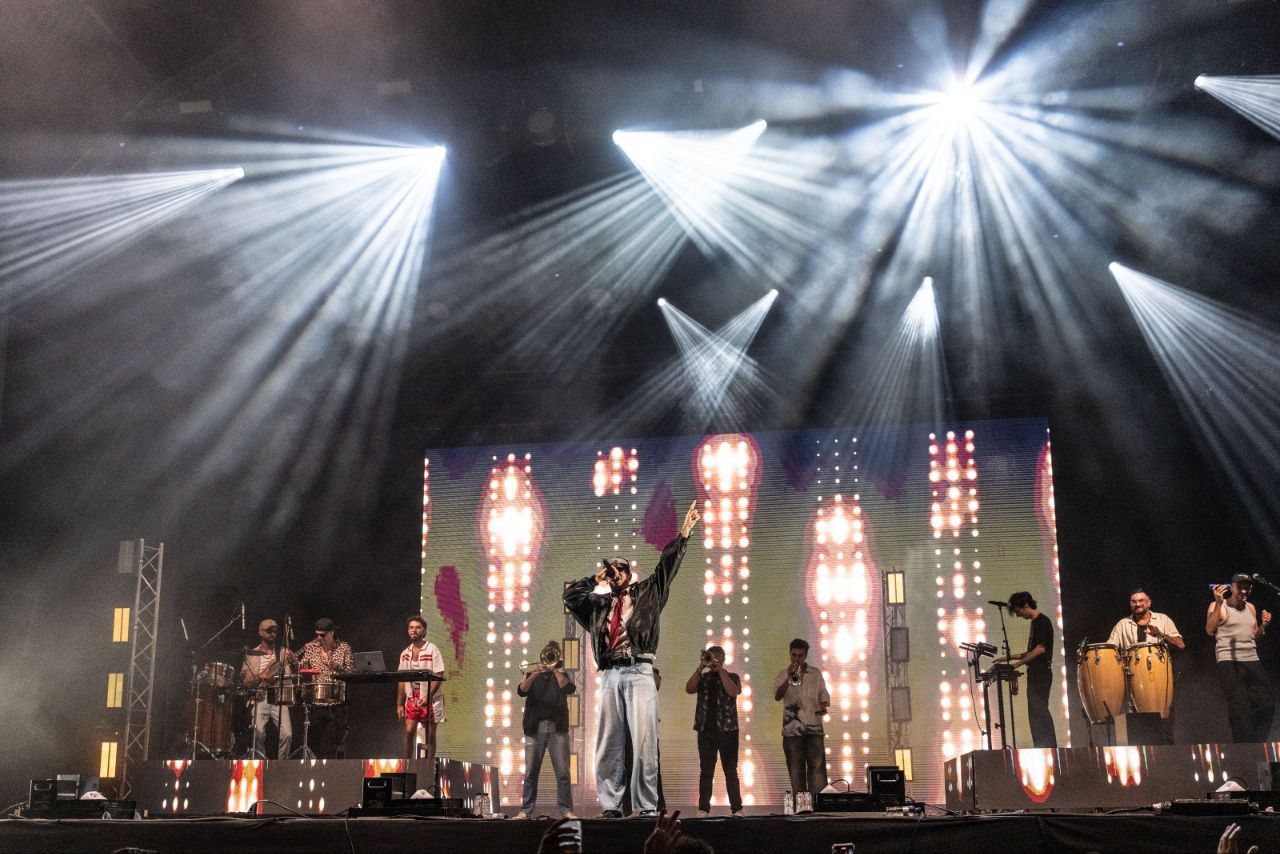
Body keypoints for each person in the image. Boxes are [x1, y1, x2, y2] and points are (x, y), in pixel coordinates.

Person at [564, 500, 700, 818]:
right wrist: (594, 579)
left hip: (639, 669)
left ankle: (646, 806)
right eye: (611, 571)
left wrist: (683, 534)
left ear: (629, 573)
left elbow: (667, 568)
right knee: (608, 742)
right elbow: (570, 598)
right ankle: (611, 805)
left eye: (620, 569)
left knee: (644, 741)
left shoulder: (648, 593)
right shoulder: (597, 606)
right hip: (611, 674)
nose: (615, 574)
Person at [514, 641, 577, 820]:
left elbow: (569, 688)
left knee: (563, 772)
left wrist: (555, 669)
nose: (551, 658)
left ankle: (566, 810)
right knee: (531, 771)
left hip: (558, 728)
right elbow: (521, 691)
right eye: (549, 655)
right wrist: (534, 675)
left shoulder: (562, 674)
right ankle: (525, 810)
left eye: (554, 655)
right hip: (535, 728)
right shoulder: (531, 674)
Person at [1207, 574, 1274, 742]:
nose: (1244, 591)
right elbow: (1210, 630)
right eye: (1240, 587)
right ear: (1232, 587)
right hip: (1228, 660)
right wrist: (1218, 603)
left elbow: (1255, 635)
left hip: (1251, 658)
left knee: (1267, 703)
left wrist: (1264, 625)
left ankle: (1257, 743)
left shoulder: (1250, 607)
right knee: (1240, 707)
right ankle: (1243, 747)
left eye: (1248, 587)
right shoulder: (1219, 606)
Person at [773, 638, 829, 812]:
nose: (796, 658)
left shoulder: (816, 673)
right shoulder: (783, 674)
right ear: (790, 654)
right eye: (793, 655)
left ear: (805, 656)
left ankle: (818, 807)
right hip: (792, 731)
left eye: (800, 655)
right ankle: (800, 809)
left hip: (813, 728)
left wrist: (823, 708)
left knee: (817, 768)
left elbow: (824, 697)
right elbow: (777, 696)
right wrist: (789, 678)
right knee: (796, 770)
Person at [685, 646, 742, 818]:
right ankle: (703, 809)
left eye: (717, 657)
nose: (714, 660)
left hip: (728, 730)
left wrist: (721, 671)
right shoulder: (703, 677)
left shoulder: (732, 676)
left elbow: (733, 692)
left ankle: (737, 808)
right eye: (711, 657)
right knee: (706, 771)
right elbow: (689, 688)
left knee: (730, 770)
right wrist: (700, 667)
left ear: (723, 659)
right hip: (706, 731)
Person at [997, 591, 1056, 748]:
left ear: (1026, 606)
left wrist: (1017, 664)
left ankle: (1049, 746)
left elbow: (1040, 649)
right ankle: (1041, 746)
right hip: (1035, 673)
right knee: (1034, 712)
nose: (1018, 615)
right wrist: (1007, 658)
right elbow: (1030, 652)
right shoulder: (1035, 623)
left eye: (1018, 611)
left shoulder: (1043, 622)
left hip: (1041, 673)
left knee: (1040, 710)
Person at [296, 617, 354, 758]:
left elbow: (352, 671)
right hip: (317, 702)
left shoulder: (344, 648)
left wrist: (336, 666)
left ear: (332, 633)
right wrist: (298, 660)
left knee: (329, 745)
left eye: (322, 635)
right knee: (315, 743)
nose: (319, 638)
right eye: (317, 634)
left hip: (336, 703)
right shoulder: (313, 649)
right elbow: (301, 668)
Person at [241, 618, 297, 759]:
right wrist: (260, 676)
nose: (273, 634)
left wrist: (294, 661)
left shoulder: (283, 652)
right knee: (257, 732)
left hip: (279, 697)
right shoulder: (252, 655)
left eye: (275, 631)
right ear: (260, 633)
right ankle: (261, 762)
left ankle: (281, 765)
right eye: (269, 631)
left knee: (287, 734)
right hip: (260, 698)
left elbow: (294, 672)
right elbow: (245, 681)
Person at [396, 615, 446, 762]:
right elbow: (401, 678)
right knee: (409, 730)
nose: (414, 630)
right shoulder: (405, 653)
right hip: (413, 696)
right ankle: (407, 763)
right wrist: (399, 703)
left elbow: (439, 674)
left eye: (418, 627)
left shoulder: (432, 649)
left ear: (423, 631)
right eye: (411, 627)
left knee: (430, 733)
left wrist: (429, 696)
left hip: (430, 695)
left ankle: (429, 765)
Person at [1106, 588, 1185, 651]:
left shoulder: (1163, 619)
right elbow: (1109, 648)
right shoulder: (1122, 624)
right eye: (1133, 602)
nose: (1137, 604)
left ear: (1149, 603)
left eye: (1141, 601)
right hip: (1130, 670)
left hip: (1159, 669)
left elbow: (1181, 645)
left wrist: (1161, 635)